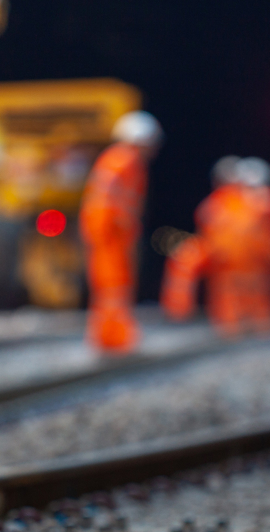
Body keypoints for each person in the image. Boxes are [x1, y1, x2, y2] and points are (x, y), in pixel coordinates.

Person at [161, 156, 270, 336]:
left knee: (253, 297)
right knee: (229, 296)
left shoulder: (262, 199)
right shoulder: (226, 199)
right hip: (227, 258)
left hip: (250, 260)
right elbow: (206, 219)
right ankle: (181, 313)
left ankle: (253, 327)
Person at [79, 111, 163, 352]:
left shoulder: (116, 159)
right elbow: (112, 201)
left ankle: (109, 336)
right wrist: (120, 229)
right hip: (111, 234)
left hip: (108, 233)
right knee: (114, 285)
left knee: (109, 286)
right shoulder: (124, 160)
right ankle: (115, 337)